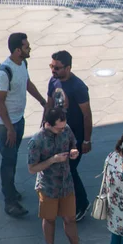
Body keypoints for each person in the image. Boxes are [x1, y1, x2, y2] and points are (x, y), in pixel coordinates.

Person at [28, 107, 100, 244]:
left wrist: (73, 151)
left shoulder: (65, 129)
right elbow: (32, 168)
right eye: (58, 128)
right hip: (48, 187)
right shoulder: (36, 141)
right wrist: (52, 160)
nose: (62, 130)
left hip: (66, 183)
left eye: (63, 127)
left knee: (70, 218)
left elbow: (72, 143)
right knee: (50, 219)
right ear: (47, 124)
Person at [0, 33, 46, 217]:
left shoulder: (23, 63)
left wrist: (42, 101)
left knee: (12, 157)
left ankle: (10, 190)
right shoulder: (3, 72)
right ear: (17, 50)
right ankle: (10, 202)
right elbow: (0, 102)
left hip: (18, 119)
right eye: (26, 46)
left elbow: (27, 83)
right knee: (8, 160)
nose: (29, 48)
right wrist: (9, 129)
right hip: (4, 123)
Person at [45, 51, 93, 222]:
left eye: (57, 67)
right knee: (61, 169)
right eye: (52, 66)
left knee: (70, 170)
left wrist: (86, 140)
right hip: (57, 137)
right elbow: (49, 105)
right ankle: (65, 200)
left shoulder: (78, 87)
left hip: (75, 138)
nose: (53, 70)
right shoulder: (53, 81)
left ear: (68, 68)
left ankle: (83, 203)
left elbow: (87, 115)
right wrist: (45, 126)